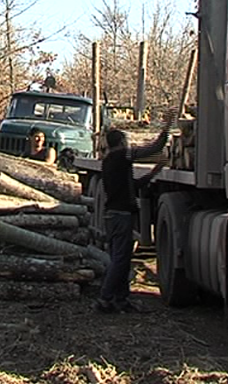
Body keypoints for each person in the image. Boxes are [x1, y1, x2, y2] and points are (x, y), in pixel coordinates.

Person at [96, 110, 175, 313]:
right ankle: (105, 297)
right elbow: (153, 148)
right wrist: (166, 129)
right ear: (121, 142)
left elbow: (134, 184)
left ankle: (120, 299)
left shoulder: (108, 162)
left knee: (118, 258)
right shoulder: (123, 156)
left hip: (111, 215)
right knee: (121, 259)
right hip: (121, 215)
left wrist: (154, 172)